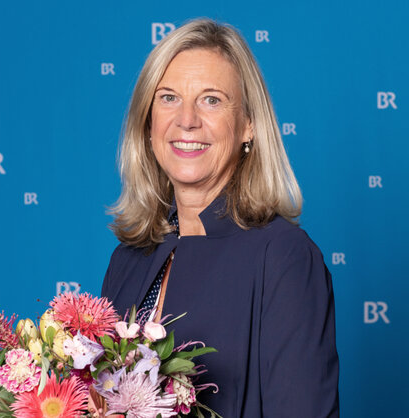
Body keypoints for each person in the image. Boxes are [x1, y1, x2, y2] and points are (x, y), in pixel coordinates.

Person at [100, 18, 339, 417]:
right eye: (169, 97)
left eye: (212, 99)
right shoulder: (128, 259)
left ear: (248, 125)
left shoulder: (284, 258)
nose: (187, 119)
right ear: (147, 123)